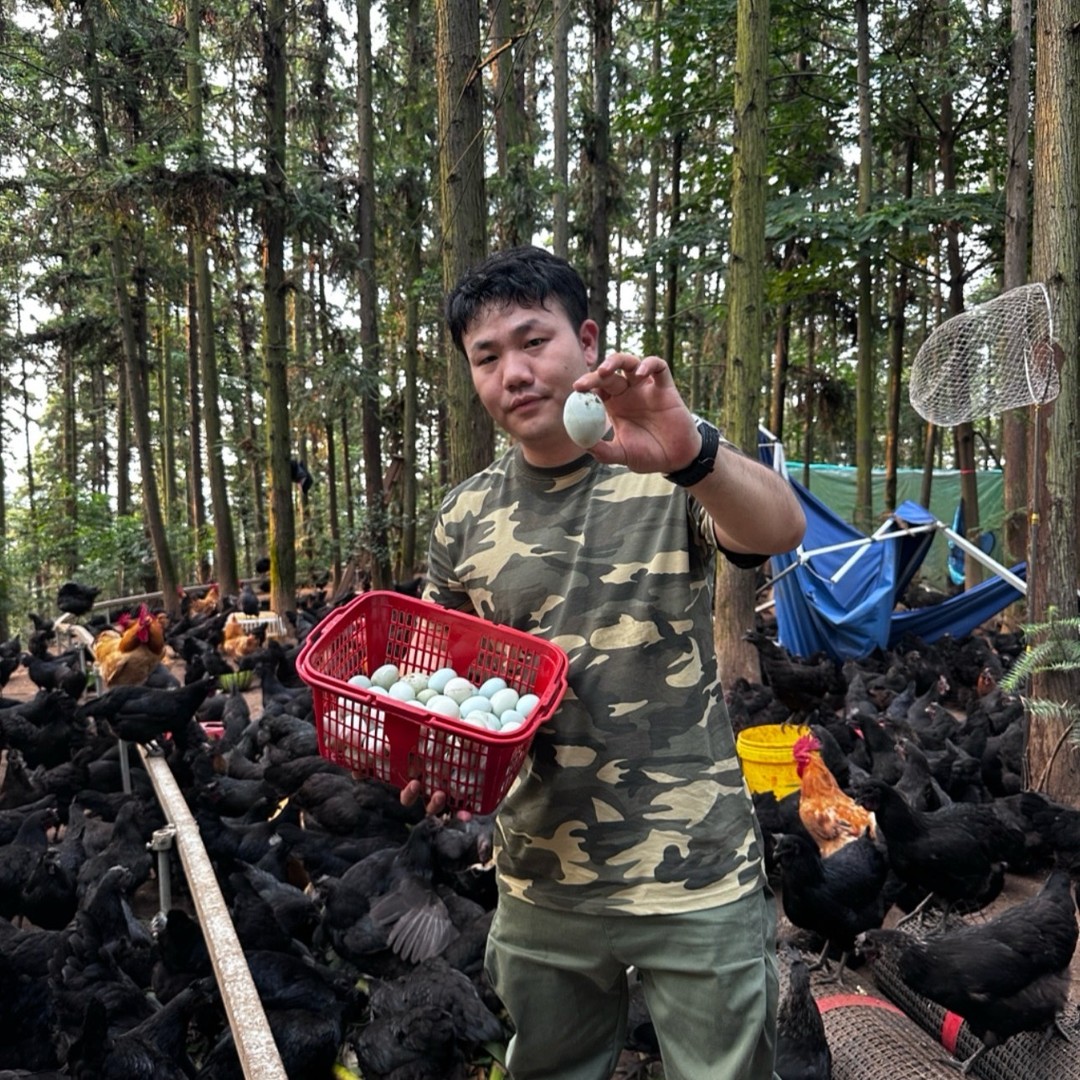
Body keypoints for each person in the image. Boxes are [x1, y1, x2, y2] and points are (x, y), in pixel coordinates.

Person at [401, 246, 806, 1080]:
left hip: (695, 873)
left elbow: (778, 530)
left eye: (533, 340)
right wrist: (439, 760)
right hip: (542, 873)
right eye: (487, 357)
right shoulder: (463, 518)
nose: (514, 372)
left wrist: (693, 455)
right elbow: (448, 685)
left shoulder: (666, 471)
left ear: (587, 341)